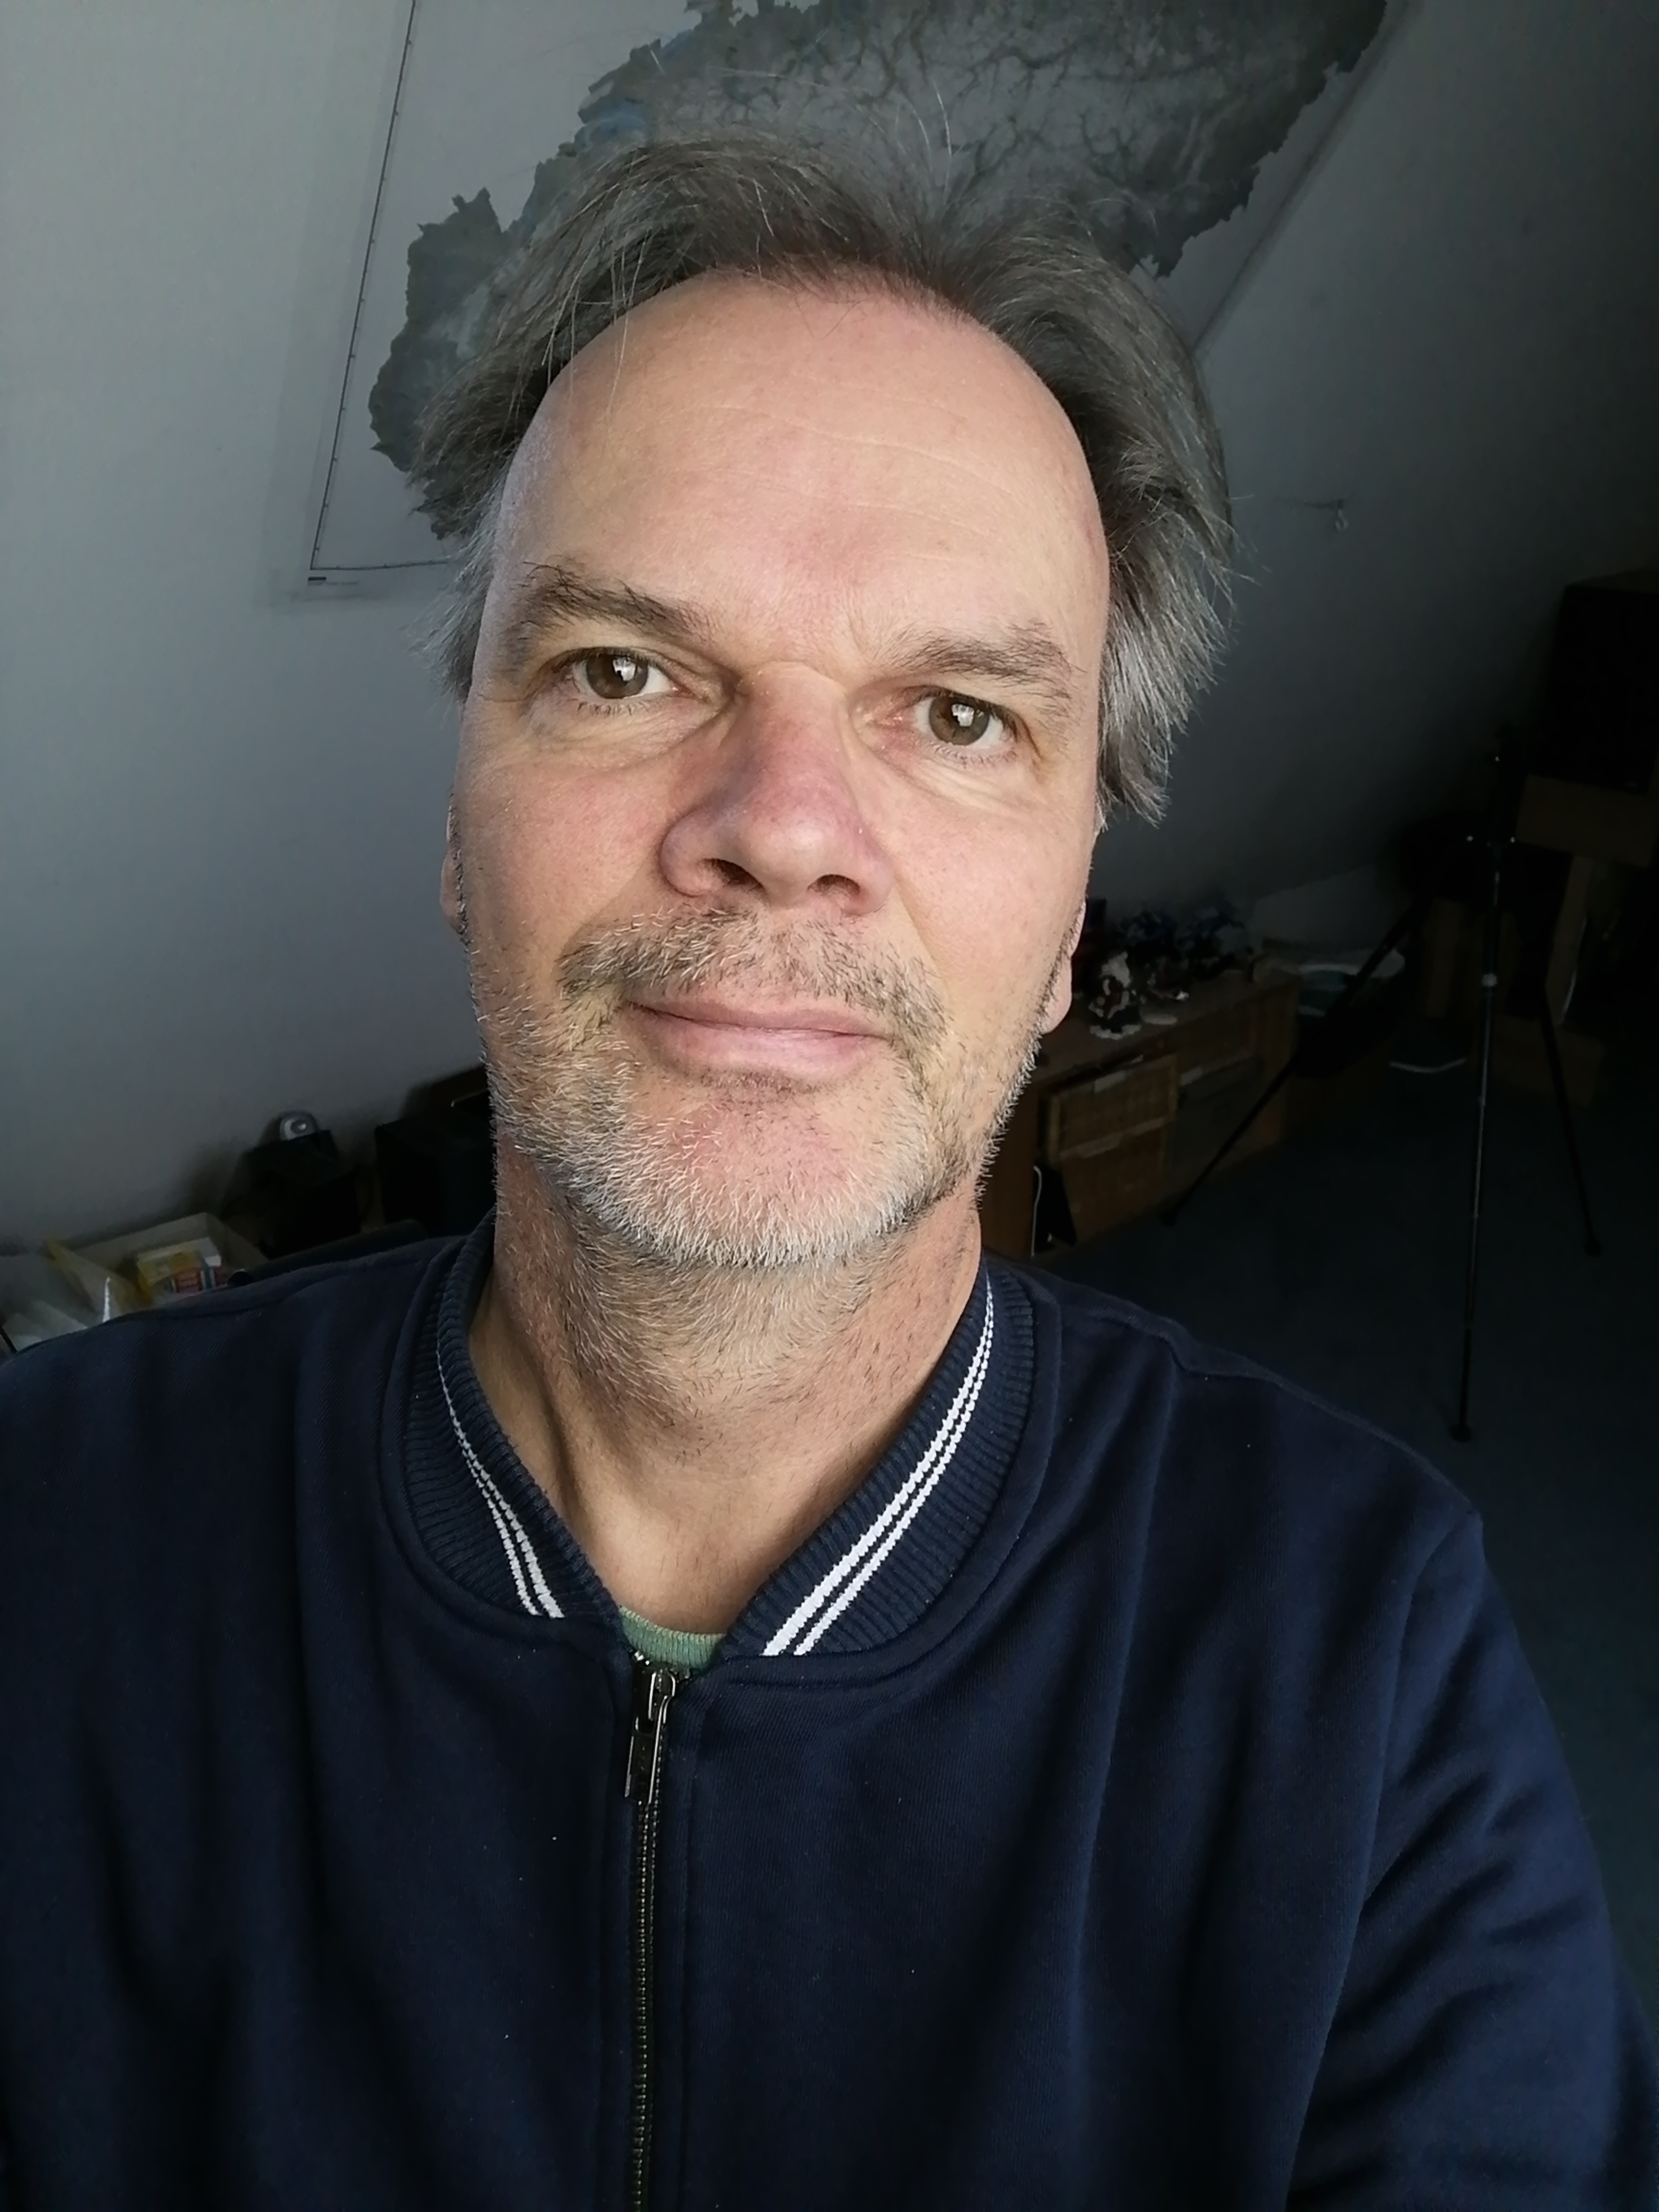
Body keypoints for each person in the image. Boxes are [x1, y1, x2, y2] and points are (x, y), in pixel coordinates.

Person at [0, 133, 1653, 2211]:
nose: (783, 826)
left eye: (956, 716)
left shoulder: (1363, 1662)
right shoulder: (48, 1529)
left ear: (1073, 917)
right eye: (625, 671)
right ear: (458, 824)